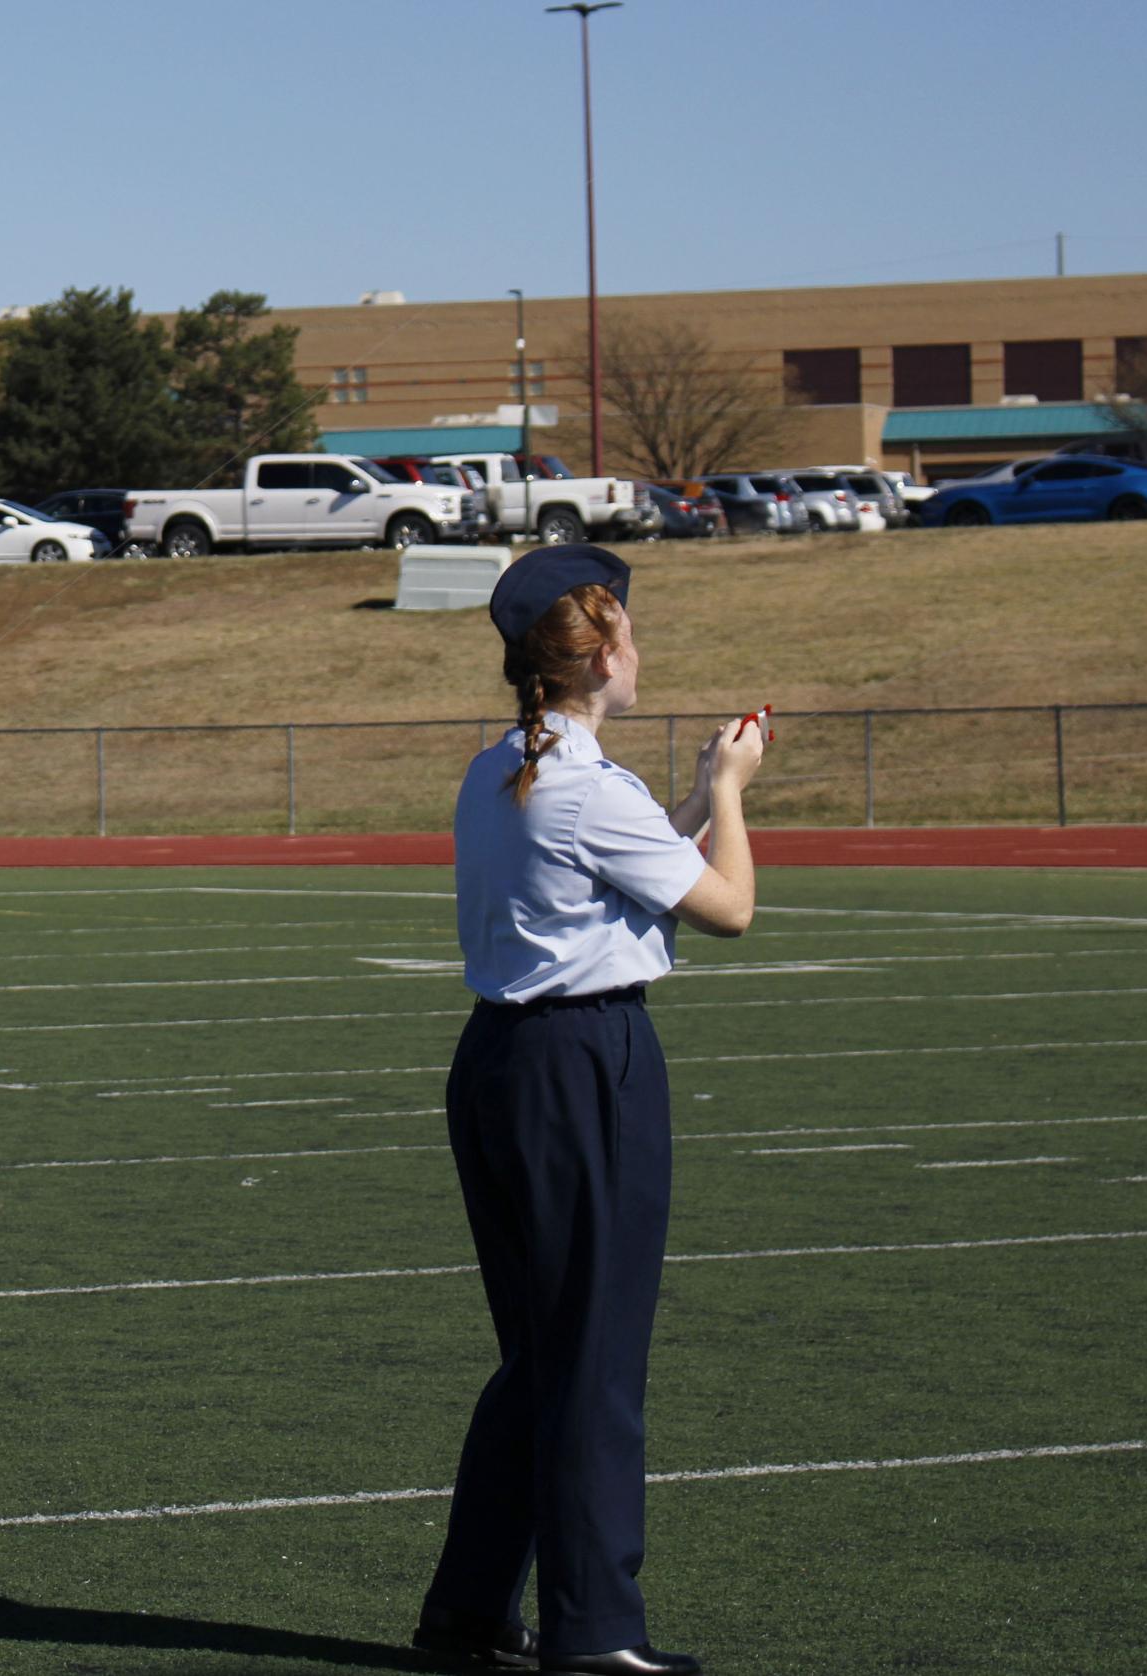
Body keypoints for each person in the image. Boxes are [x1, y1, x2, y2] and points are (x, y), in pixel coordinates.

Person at [412, 546, 764, 1675]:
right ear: (603, 654)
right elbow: (731, 910)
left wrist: (687, 802)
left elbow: (614, 861)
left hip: (501, 1062)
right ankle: (595, 1627)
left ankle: (470, 1609)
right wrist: (727, 788)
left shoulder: (498, 766)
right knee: (594, 1359)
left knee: (539, 1357)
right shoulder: (587, 785)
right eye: (632, 635)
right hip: (583, 1063)